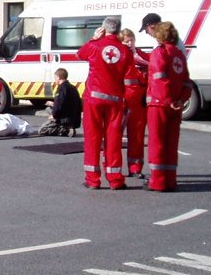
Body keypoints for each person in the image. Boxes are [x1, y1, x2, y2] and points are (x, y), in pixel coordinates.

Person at [77, 16, 135, 190]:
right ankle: (116, 179)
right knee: (114, 140)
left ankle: (93, 180)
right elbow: (130, 76)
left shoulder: (95, 46)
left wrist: (93, 39)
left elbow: (80, 54)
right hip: (115, 100)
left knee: (93, 138)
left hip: (94, 98)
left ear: (103, 29)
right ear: (119, 30)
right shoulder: (125, 51)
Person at [146, 21, 192, 192]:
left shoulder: (159, 53)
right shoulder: (179, 54)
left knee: (157, 143)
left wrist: (168, 99)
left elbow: (159, 78)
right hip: (176, 106)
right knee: (171, 144)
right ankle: (170, 180)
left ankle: (157, 182)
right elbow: (187, 82)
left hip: (159, 105)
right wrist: (180, 100)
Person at [120, 28, 149, 176]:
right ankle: (113, 168)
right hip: (121, 99)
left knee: (137, 135)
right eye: (126, 41)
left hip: (138, 101)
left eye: (132, 40)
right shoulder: (117, 55)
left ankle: (135, 167)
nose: (129, 43)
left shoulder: (142, 56)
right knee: (114, 135)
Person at [40, 68, 82, 136]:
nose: (55, 80)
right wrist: (53, 104)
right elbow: (67, 103)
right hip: (74, 118)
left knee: (42, 130)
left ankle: (64, 129)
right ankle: (67, 127)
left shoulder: (61, 88)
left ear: (59, 77)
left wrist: (54, 116)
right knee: (48, 109)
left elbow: (59, 106)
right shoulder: (73, 88)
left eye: (55, 78)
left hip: (65, 118)